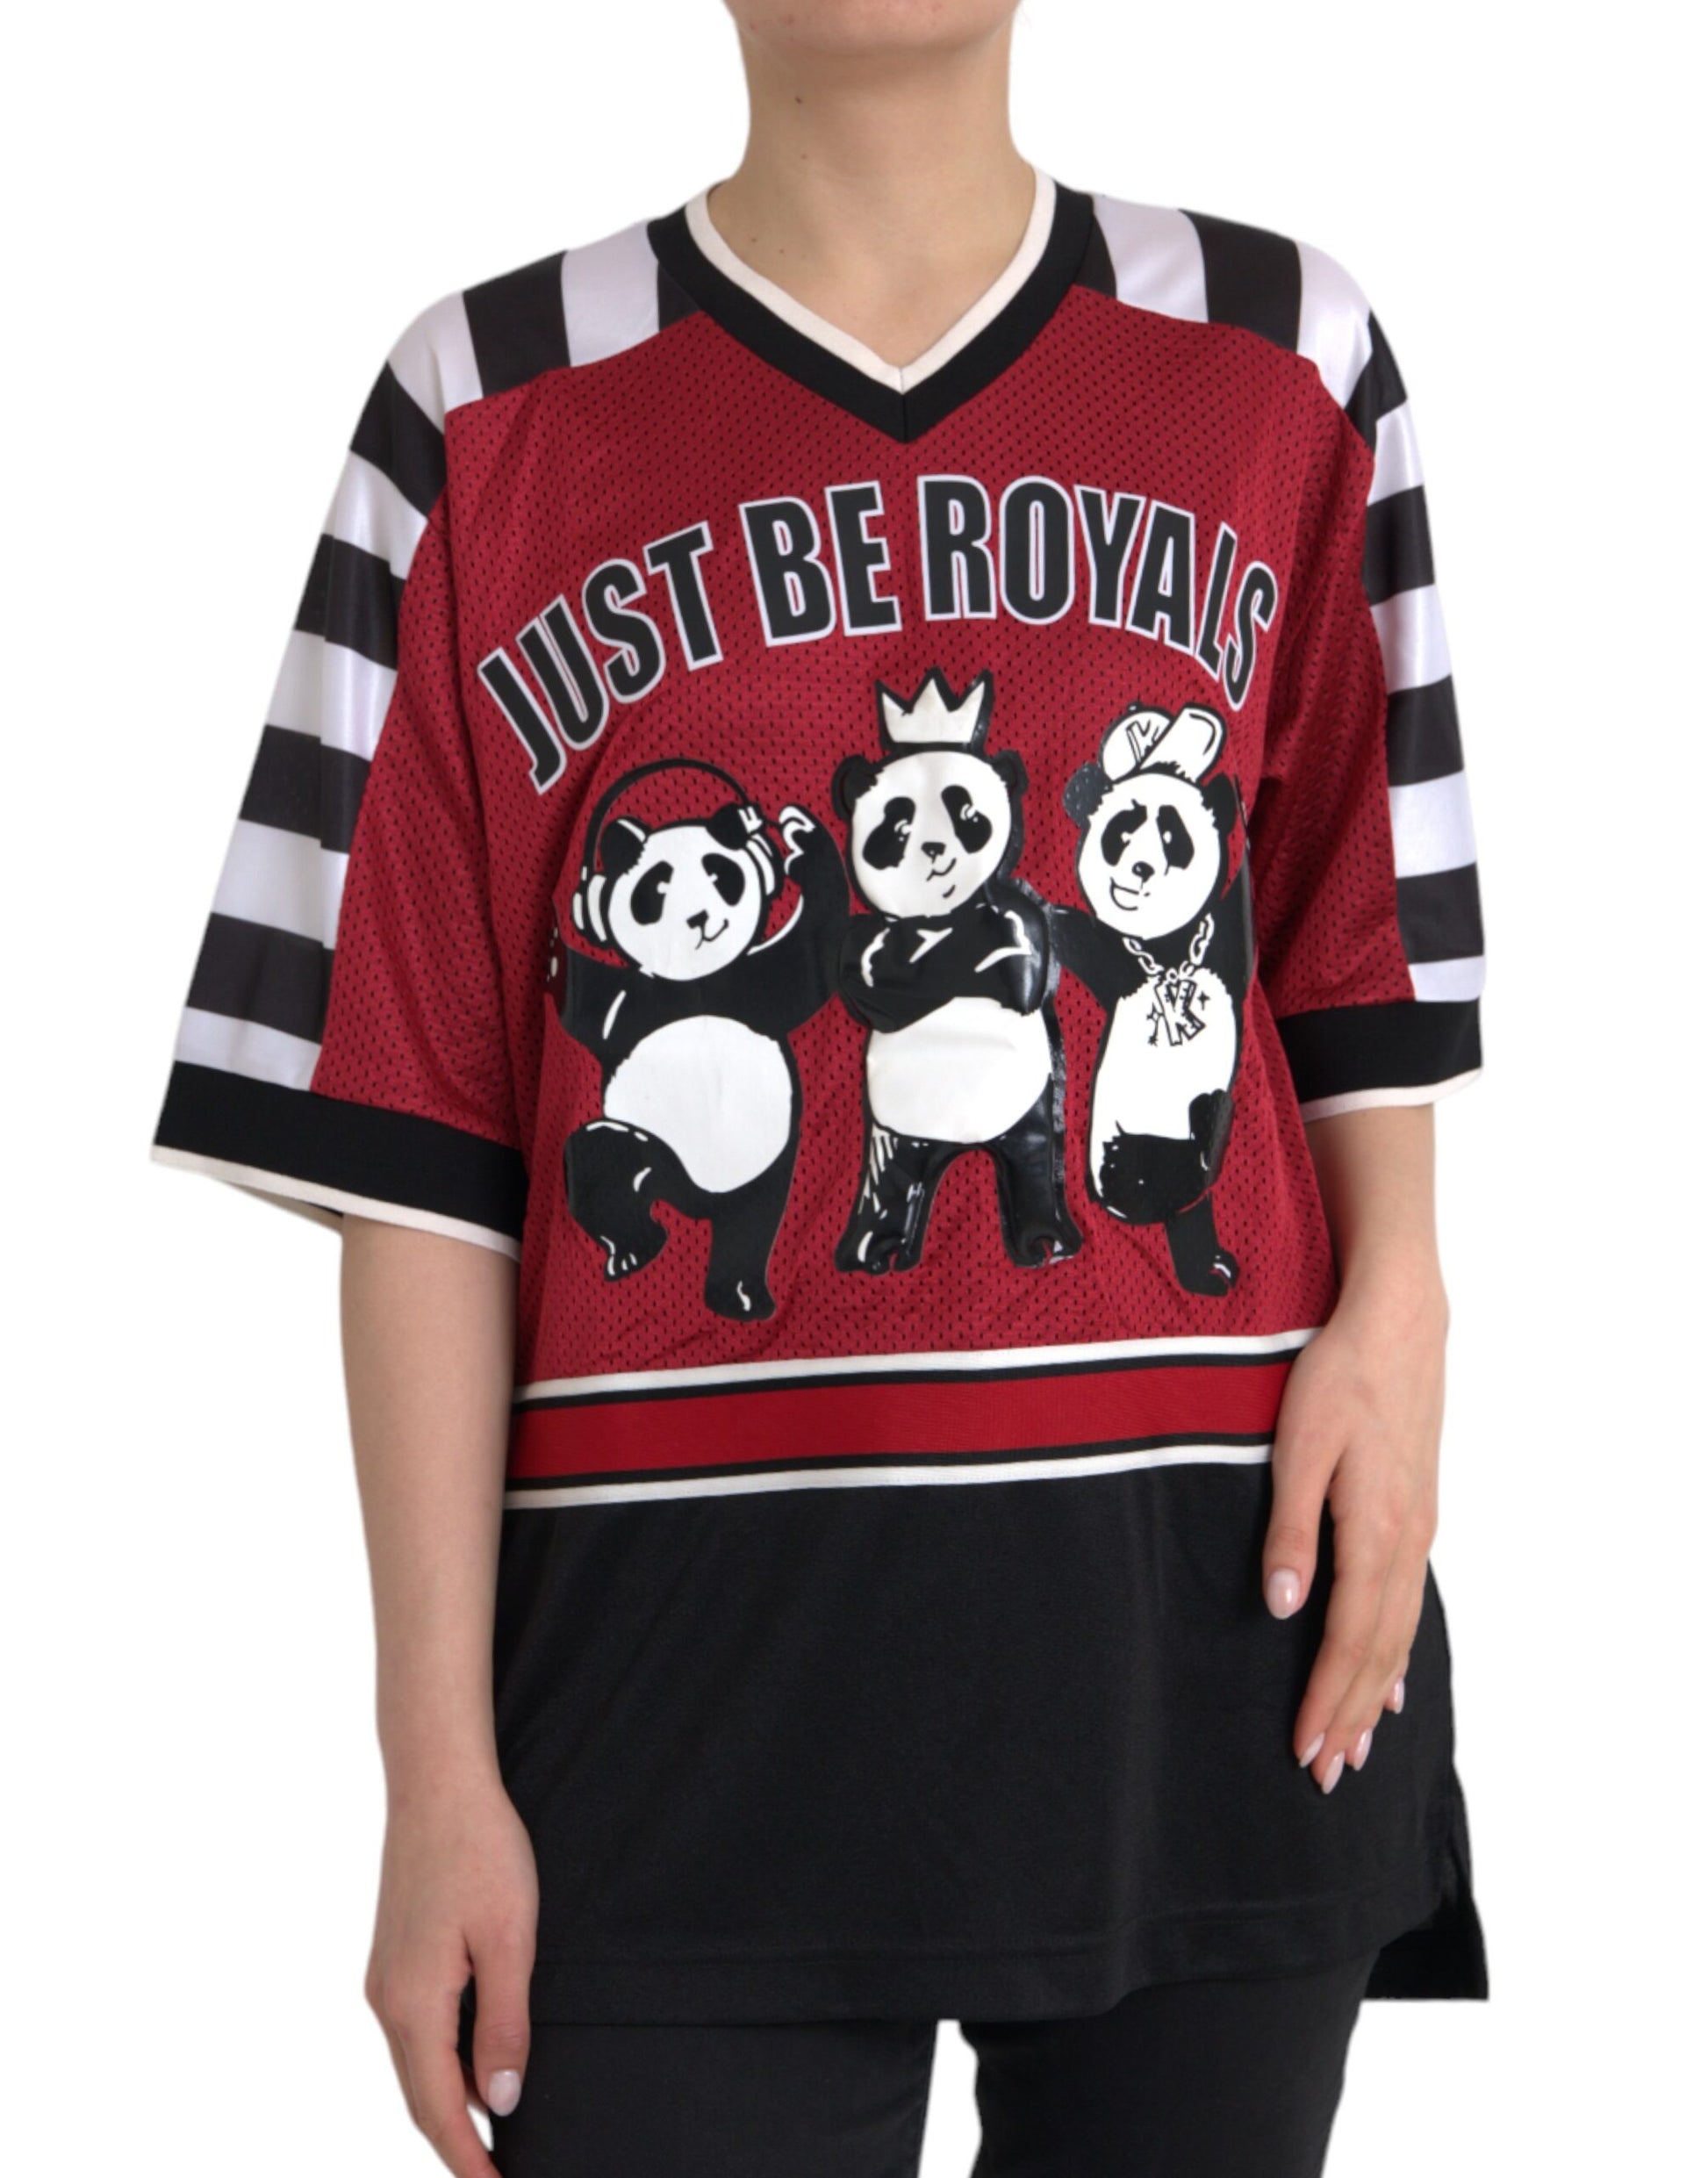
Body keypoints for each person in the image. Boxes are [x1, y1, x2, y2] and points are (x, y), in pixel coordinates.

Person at [152, 3, 1489, 2171]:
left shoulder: (1284, 352)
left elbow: (1357, 950)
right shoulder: (477, 404)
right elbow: (420, 1157)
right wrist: (433, 1769)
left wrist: (1406, 1313)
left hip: (1208, 1619)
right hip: (663, 1694)